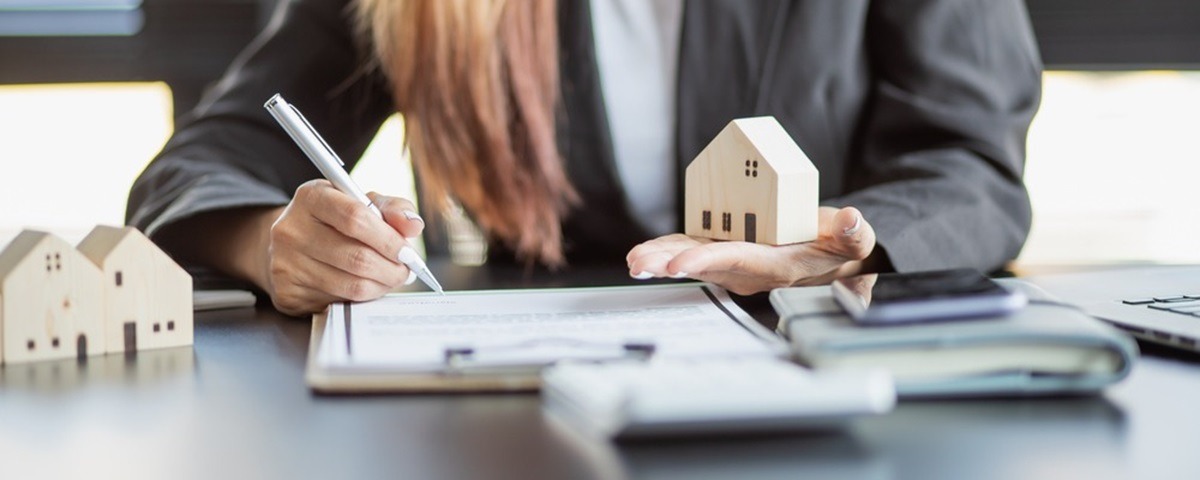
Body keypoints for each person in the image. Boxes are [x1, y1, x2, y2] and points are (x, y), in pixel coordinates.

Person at [127, 0, 1042, 316]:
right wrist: (275, 243)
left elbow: (969, 163)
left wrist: (839, 242)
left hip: (815, 376)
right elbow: (201, 163)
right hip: (519, 402)